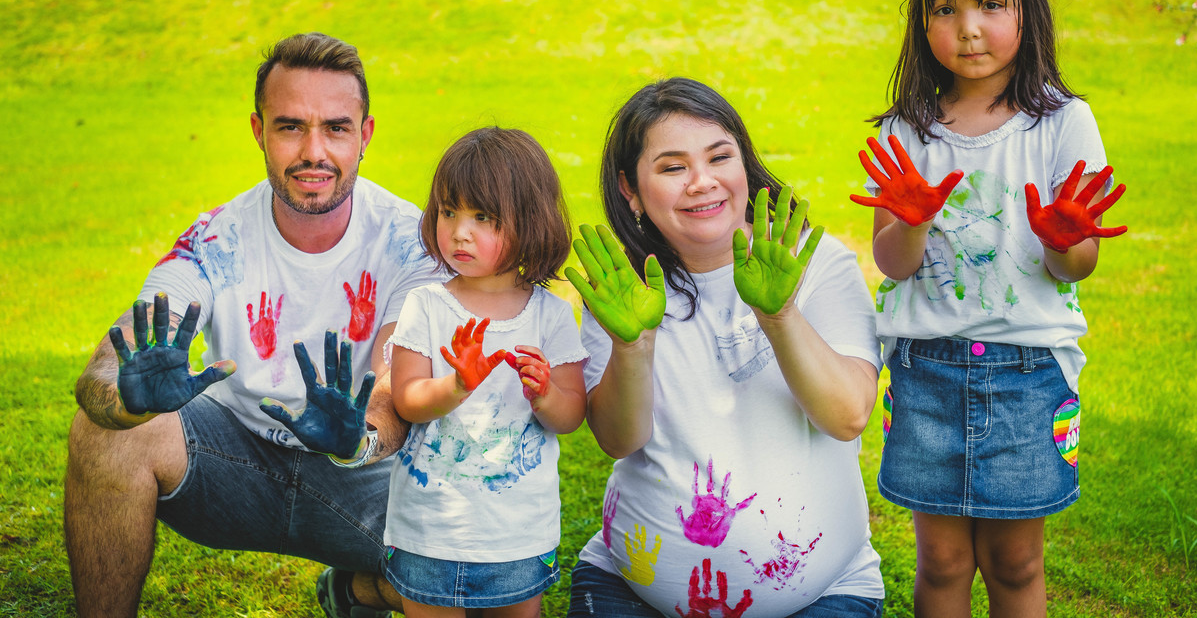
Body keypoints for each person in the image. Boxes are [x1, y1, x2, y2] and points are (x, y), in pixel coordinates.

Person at [64, 32, 443, 618]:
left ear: (365, 134)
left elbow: (397, 387)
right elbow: (111, 363)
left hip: (363, 481)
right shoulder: (217, 240)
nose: (314, 151)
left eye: (336, 128)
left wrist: (354, 438)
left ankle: (354, 592)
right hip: (236, 464)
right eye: (290, 126)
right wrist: (127, 402)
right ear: (258, 130)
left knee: (468, 560)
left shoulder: (409, 242)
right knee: (103, 435)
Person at [849, 0, 1127, 617]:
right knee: (941, 563)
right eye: (945, 8)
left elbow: (1076, 266)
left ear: (1027, 10)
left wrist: (1066, 238)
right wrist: (908, 223)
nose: (968, 27)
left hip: (1029, 373)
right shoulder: (904, 130)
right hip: (925, 367)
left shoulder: (1065, 122)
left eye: (990, 3)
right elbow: (893, 262)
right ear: (922, 23)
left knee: (1015, 562)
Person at [564, 78, 886, 618]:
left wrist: (779, 315)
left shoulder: (814, 262)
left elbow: (849, 414)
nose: (702, 182)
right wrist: (634, 344)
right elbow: (620, 440)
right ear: (631, 190)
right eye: (672, 168)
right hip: (630, 585)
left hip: (824, 593)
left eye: (720, 157)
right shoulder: (623, 287)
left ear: (745, 163)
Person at [379, 126, 588, 617]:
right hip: (428, 531)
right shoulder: (425, 305)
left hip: (518, 534)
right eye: (448, 212)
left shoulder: (550, 316)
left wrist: (544, 394)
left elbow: (571, 413)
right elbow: (408, 399)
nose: (459, 231)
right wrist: (457, 385)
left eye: (482, 217)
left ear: (531, 223)